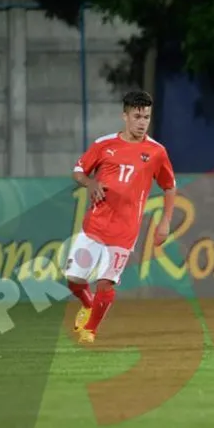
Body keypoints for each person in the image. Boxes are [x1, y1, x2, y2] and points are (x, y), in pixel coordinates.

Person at [66, 90, 176, 345]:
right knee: (73, 280)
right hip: (94, 225)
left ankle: (90, 330)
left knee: (106, 283)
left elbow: (169, 186)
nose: (142, 122)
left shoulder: (157, 152)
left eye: (146, 117)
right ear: (125, 116)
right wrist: (90, 183)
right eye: (137, 116)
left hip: (125, 230)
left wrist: (165, 221)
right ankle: (88, 304)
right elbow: (78, 171)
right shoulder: (104, 144)